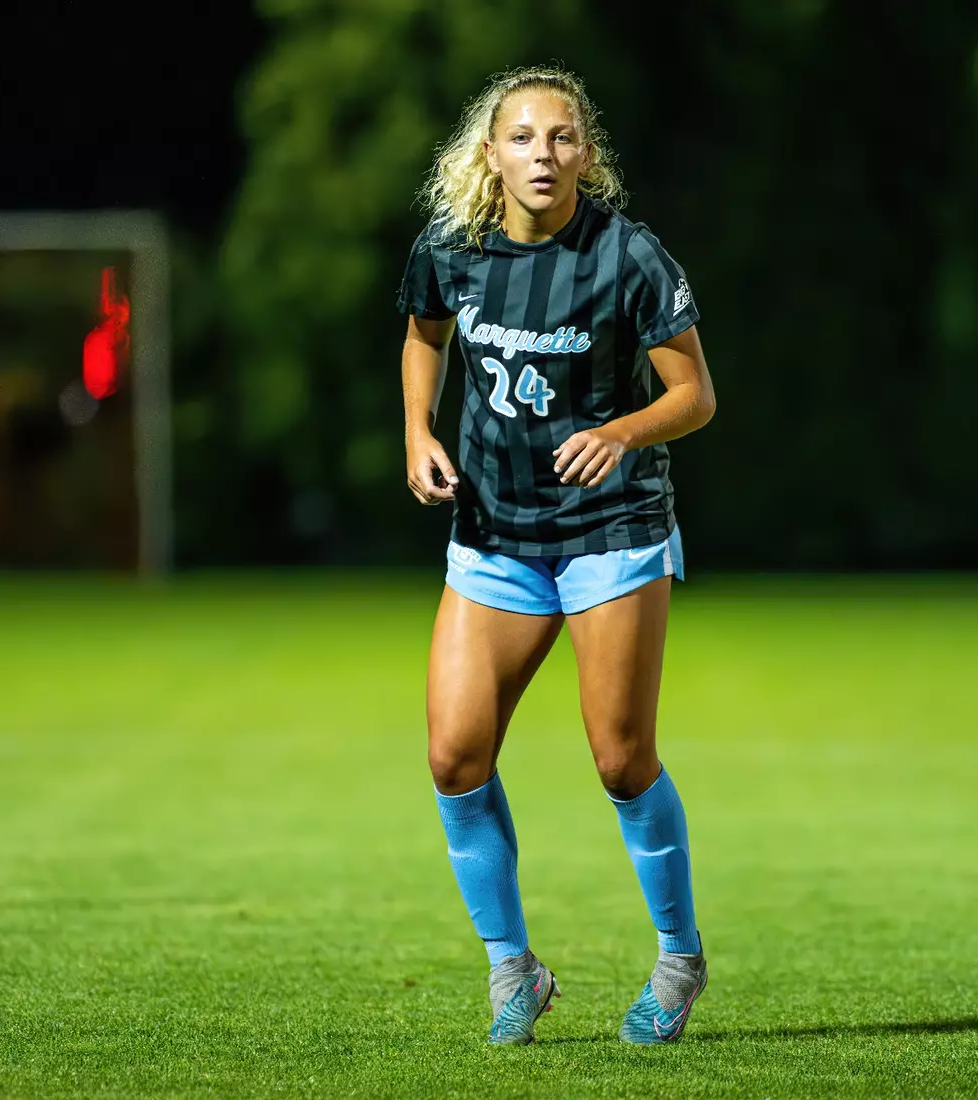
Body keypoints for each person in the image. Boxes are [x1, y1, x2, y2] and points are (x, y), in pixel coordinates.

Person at [397, 65, 716, 1044]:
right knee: (455, 754)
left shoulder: (626, 255)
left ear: (586, 153)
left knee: (621, 760)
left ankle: (678, 953)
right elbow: (422, 333)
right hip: (494, 533)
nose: (543, 153)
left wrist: (624, 431)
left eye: (562, 136)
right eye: (523, 136)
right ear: (489, 152)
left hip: (611, 529)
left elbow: (695, 395)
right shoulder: (451, 245)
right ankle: (512, 969)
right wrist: (417, 428)